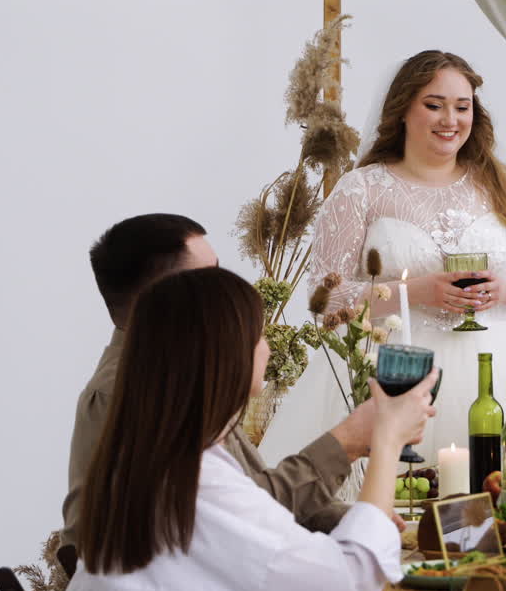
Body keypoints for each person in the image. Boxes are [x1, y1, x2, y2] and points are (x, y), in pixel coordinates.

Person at [61, 267, 437, 591]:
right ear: (225, 353)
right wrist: (387, 439)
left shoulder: (161, 457)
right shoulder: (193, 482)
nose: (268, 349)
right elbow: (355, 576)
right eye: (258, 336)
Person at [268, 50, 506, 471]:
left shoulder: (501, 185)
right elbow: (327, 297)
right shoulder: (362, 189)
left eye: (462, 107)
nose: (450, 120)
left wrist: (503, 290)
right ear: (403, 110)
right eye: (434, 105)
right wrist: (415, 293)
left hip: (500, 368)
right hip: (391, 373)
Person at [64, 214, 378, 550]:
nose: (227, 287)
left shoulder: (183, 370)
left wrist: (356, 520)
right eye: (209, 277)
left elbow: (252, 495)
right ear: (164, 296)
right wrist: (346, 443)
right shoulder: (129, 391)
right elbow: (243, 519)